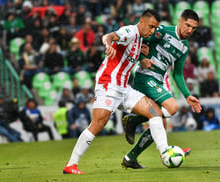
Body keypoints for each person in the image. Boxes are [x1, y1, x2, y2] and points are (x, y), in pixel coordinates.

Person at [63, 9, 169, 174]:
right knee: (99, 123)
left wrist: (143, 60)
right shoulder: (130, 32)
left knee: (154, 111)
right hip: (109, 84)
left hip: (124, 88)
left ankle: (165, 153)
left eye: (155, 28)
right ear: (141, 22)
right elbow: (109, 36)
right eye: (151, 26)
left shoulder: (140, 40)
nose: (153, 31)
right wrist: (107, 45)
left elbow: (128, 54)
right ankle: (71, 164)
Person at [121, 9, 202, 169]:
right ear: (180, 21)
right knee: (172, 107)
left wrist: (187, 95)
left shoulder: (185, 47)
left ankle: (131, 157)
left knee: (158, 123)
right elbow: (141, 43)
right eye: (187, 25)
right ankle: (134, 122)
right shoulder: (163, 32)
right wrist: (143, 59)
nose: (189, 30)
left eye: (193, 28)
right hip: (144, 77)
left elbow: (177, 74)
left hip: (157, 81)